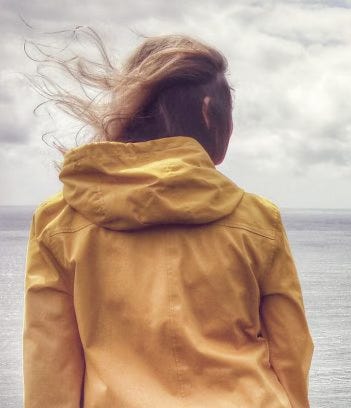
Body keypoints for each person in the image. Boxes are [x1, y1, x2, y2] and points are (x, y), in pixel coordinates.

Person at [23, 30, 314, 407]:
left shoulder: (57, 222)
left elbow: (49, 366)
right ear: (210, 110)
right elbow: (291, 354)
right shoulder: (257, 220)